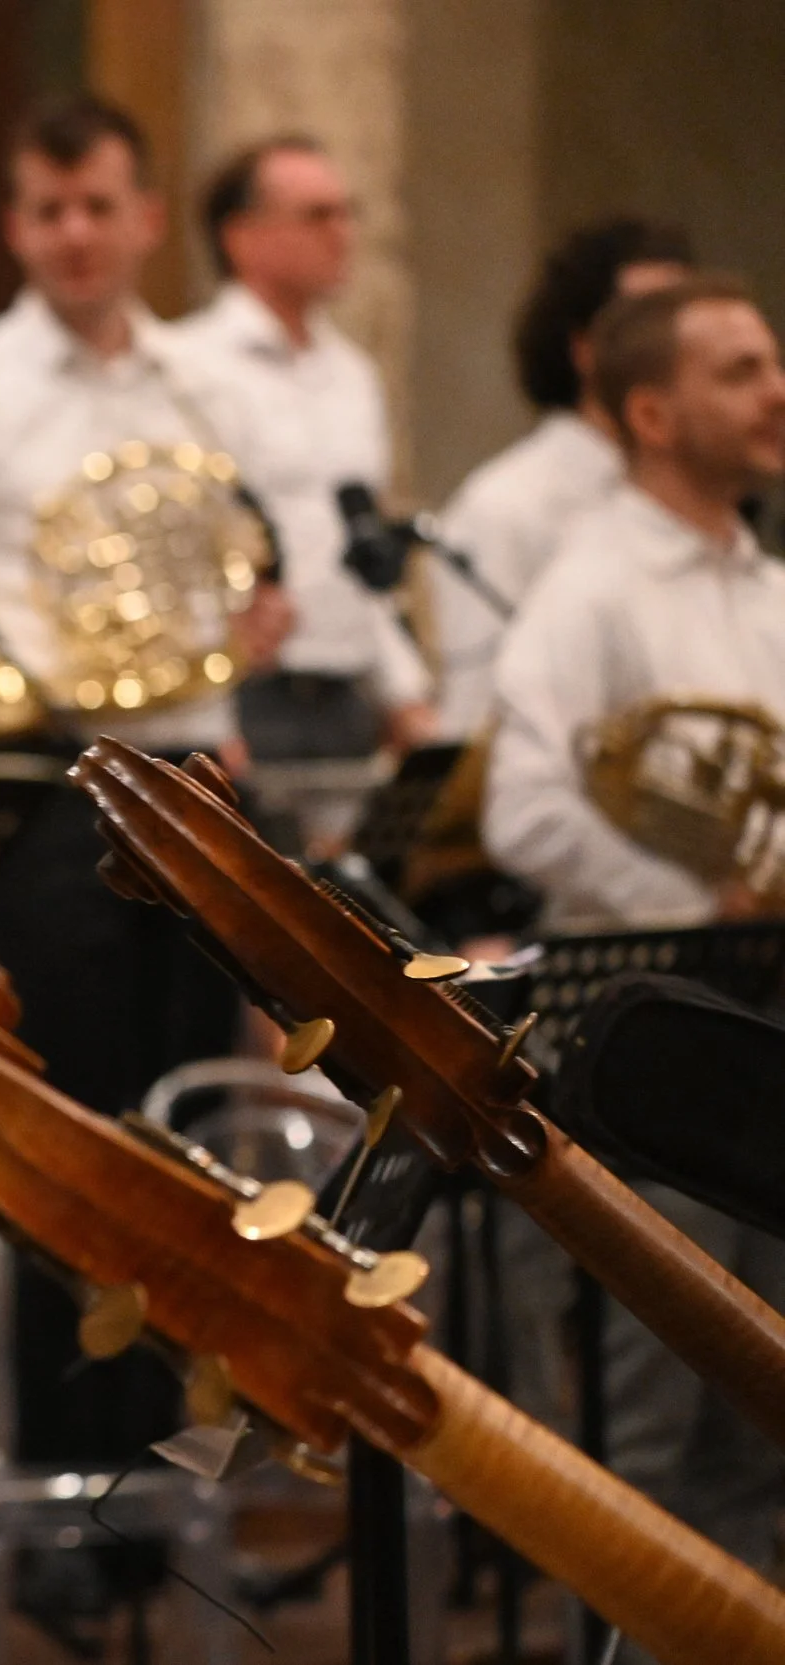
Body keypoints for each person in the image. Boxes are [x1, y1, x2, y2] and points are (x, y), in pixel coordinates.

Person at [0, 97, 275, 1599]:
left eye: (99, 205)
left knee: (190, 1149)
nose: (75, 234)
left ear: (147, 217)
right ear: (17, 227)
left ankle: (168, 1513)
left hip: (200, 790)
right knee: (57, 1157)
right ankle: (55, 1531)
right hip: (46, 802)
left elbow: (253, 568)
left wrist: (249, 635)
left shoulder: (217, 388)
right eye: (47, 211)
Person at [484, 277, 785, 1629]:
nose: (776, 391)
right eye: (740, 371)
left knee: (764, 1418)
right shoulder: (590, 587)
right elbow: (527, 807)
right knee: (655, 1426)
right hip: (652, 1031)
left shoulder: (768, 582)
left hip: (763, 1018)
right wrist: (696, 890)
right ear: (654, 412)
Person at [179, 135, 434, 761]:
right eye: (317, 215)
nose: (343, 234)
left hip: (346, 697)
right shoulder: (187, 368)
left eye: (348, 212)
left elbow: (357, 546)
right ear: (241, 237)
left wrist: (402, 691)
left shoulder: (353, 376)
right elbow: (179, 552)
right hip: (245, 696)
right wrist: (202, 711)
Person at [431, 217, 695, 737]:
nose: (682, 347)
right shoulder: (507, 506)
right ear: (585, 348)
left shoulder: (697, 497)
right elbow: (477, 725)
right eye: (652, 323)